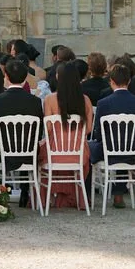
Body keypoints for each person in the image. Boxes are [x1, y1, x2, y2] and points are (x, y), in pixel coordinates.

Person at [88, 61, 135, 207]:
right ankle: (118, 193)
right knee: (123, 145)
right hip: (133, 151)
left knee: (87, 148)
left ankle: (87, 193)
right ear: (128, 81)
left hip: (108, 150)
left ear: (111, 82)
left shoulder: (103, 103)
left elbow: (98, 133)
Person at [0, 59, 44, 209]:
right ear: (25, 77)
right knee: (29, 142)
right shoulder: (35, 102)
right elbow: (38, 133)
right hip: (28, 153)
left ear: (5, 76)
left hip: (2, 152)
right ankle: (25, 191)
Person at [39, 59, 94, 209]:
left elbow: (48, 129)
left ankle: (44, 198)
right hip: (79, 152)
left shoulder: (50, 99)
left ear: (58, 77)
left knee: (38, 154)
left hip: (54, 150)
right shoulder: (85, 100)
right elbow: (88, 129)